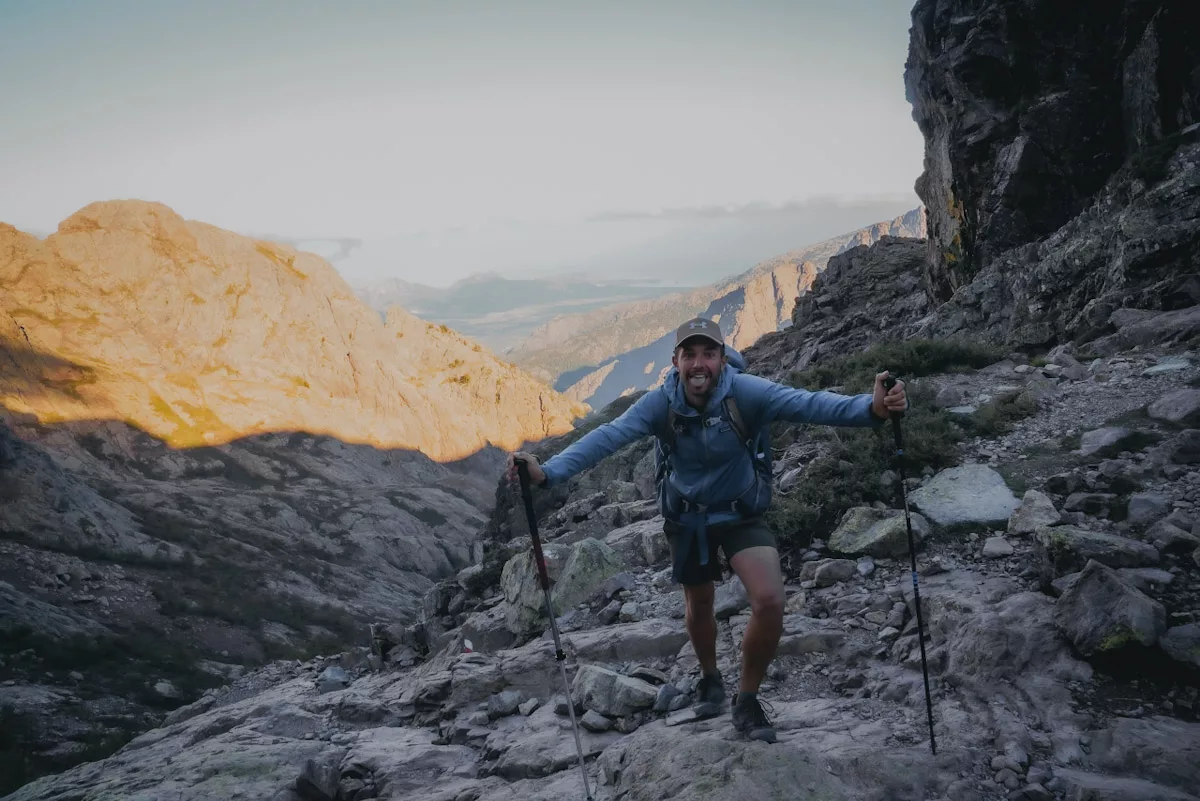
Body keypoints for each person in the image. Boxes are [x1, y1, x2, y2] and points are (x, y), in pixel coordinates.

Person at [507, 316, 907, 743]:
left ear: (722, 359)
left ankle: (747, 699)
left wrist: (872, 409)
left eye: (709, 354)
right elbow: (608, 436)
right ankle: (710, 677)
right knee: (699, 606)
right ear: (675, 361)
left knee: (770, 600)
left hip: (740, 512)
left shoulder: (746, 392)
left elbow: (808, 403)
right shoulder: (660, 403)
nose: (700, 364)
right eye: (690, 354)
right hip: (686, 516)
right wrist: (548, 473)